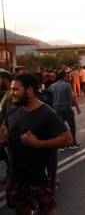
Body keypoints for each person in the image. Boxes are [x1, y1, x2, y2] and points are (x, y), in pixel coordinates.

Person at [0, 73, 72, 215]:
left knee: (45, 210)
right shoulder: (12, 109)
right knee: (21, 209)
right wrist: (5, 138)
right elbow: (8, 136)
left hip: (40, 175)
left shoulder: (47, 113)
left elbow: (67, 138)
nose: (11, 93)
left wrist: (37, 143)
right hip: (17, 173)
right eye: (11, 89)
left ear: (30, 90)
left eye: (15, 90)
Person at [48, 70, 82, 150]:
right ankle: (72, 143)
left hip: (56, 109)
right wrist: (77, 107)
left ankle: (62, 145)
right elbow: (71, 98)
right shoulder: (67, 85)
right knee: (72, 126)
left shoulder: (52, 86)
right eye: (66, 75)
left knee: (60, 128)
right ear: (64, 76)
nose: (67, 77)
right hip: (66, 108)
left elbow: (47, 95)